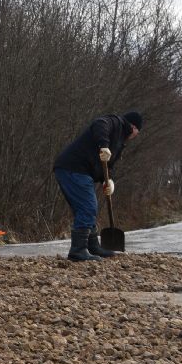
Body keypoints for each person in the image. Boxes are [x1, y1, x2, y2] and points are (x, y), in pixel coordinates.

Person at [52, 111, 142, 262]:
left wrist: (107, 181)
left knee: (86, 208)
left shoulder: (119, 141)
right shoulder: (116, 123)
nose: (136, 135)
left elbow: (104, 165)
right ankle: (78, 250)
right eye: (138, 132)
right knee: (88, 206)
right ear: (134, 127)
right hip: (73, 167)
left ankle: (93, 247)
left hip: (77, 170)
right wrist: (104, 145)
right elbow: (99, 124)